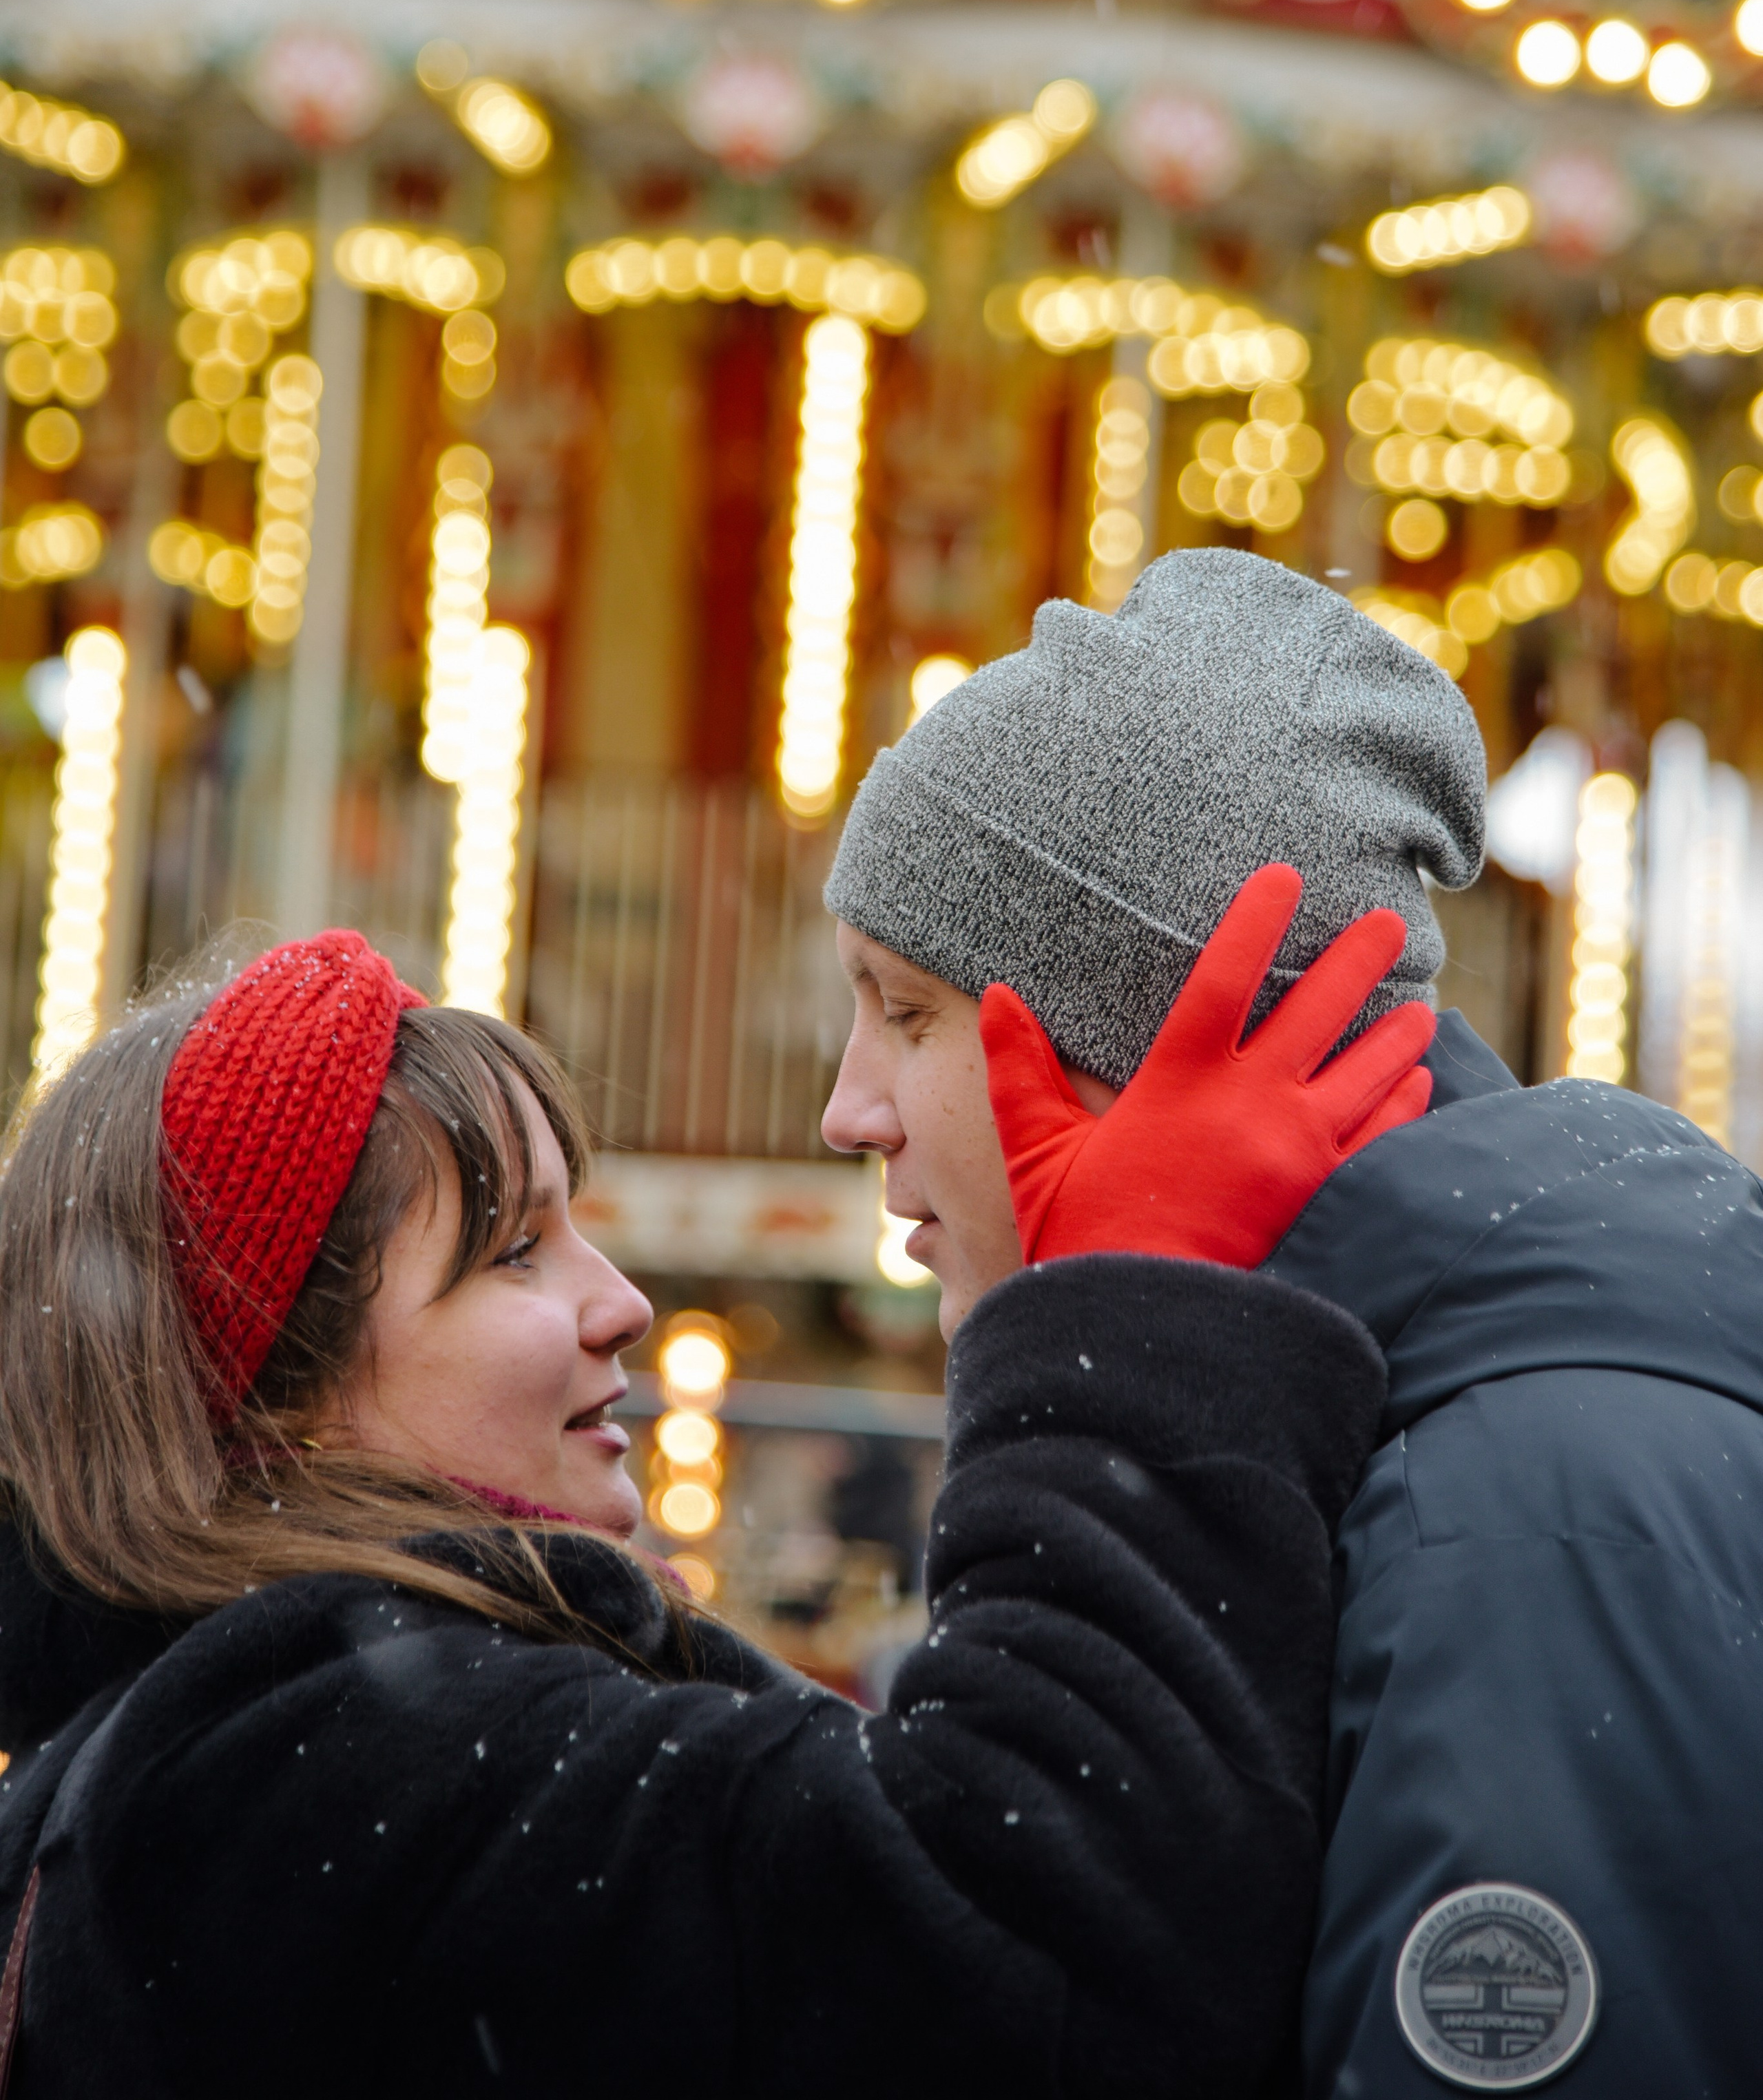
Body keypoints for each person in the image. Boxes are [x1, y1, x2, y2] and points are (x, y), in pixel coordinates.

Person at [0, 904, 1415, 2098]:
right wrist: (1134, 1320)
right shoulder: (311, 1751)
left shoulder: (193, 1755)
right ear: (276, 1389)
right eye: (509, 1254)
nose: (619, 1301)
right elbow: (1026, 1955)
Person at [827, 543, 1763, 2099]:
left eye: (906, 1010)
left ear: (1150, 1039)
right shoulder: (1395, 1413)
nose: (846, 1105)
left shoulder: (1516, 1513)